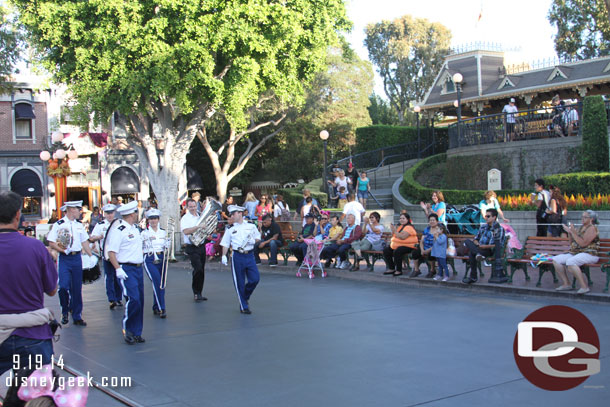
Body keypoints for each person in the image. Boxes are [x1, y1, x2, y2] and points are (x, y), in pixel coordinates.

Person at [0, 191, 58, 375]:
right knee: (37, 400)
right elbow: (51, 290)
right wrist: (52, 261)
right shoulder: (35, 247)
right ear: (18, 215)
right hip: (33, 336)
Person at [105, 201, 145, 344]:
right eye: (136, 212)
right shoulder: (119, 230)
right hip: (126, 268)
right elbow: (111, 252)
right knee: (133, 298)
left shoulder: (135, 229)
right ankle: (127, 328)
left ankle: (137, 331)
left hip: (138, 267)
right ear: (132, 214)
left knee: (140, 301)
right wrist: (118, 268)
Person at [46, 200, 92, 326]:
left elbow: (85, 242)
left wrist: (91, 255)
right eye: (78, 209)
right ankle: (65, 310)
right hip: (65, 258)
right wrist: (62, 250)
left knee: (77, 288)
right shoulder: (59, 224)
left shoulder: (79, 225)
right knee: (63, 287)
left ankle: (77, 315)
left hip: (76, 258)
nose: (80, 212)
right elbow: (51, 241)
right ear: (72, 209)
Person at [220, 205, 261, 314]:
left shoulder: (251, 226)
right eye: (231, 214)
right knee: (239, 282)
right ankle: (244, 306)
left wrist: (253, 241)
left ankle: (245, 296)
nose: (232, 216)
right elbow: (225, 243)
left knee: (255, 279)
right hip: (237, 256)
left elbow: (258, 238)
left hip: (249, 255)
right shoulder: (230, 228)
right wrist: (224, 255)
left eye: (234, 213)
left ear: (240, 213)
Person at [552, 210, 599, 294]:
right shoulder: (581, 228)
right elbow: (572, 243)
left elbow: (583, 244)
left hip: (589, 254)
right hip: (576, 252)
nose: (582, 219)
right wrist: (570, 233)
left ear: (591, 219)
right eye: (582, 217)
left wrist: (572, 232)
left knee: (571, 261)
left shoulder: (592, 228)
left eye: (585, 217)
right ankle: (567, 284)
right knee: (556, 259)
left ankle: (584, 287)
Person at [90, 204, 123, 309]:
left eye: (111, 213)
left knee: (118, 276)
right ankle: (111, 299)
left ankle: (118, 297)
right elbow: (92, 237)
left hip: (118, 254)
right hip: (106, 254)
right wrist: (99, 237)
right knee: (109, 277)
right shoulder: (100, 225)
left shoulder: (119, 223)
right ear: (104, 214)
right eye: (107, 213)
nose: (109, 215)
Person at [463, 208, 507, 284]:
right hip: (479, 248)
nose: (486, 218)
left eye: (488, 216)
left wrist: (484, 247)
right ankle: (478, 254)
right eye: (486, 216)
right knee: (467, 241)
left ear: (494, 217)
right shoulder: (483, 227)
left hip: (489, 250)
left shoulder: (499, 229)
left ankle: (473, 277)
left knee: (471, 253)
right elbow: (476, 239)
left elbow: (499, 244)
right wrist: (477, 243)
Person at [141, 208, 168, 318]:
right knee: (157, 283)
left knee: (161, 283)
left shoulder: (163, 232)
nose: (153, 221)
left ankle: (156, 306)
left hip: (162, 257)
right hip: (150, 258)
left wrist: (168, 246)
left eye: (155, 218)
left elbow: (167, 245)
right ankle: (162, 308)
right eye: (151, 219)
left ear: (158, 219)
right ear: (148, 220)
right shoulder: (144, 233)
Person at [181, 199, 208, 302]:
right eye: (191, 207)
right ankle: (196, 292)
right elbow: (186, 231)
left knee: (202, 270)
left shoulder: (201, 216)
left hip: (201, 245)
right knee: (198, 269)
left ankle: (199, 292)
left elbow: (205, 228)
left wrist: (206, 229)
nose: (193, 208)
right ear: (187, 207)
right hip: (191, 246)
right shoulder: (185, 218)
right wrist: (197, 227)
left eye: (194, 206)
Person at [409, 213, 440, 278]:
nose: (431, 222)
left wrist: (427, 250)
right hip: (425, 247)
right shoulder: (427, 229)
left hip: (435, 248)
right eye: (430, 220)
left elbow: (437, 243)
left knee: (430, 254)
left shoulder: (439, 230)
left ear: (437, 221)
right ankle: (416, 270)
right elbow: (422, 241)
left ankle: (432, 270)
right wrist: (422, 249)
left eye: (433, 220)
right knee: (415, 252)